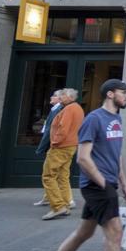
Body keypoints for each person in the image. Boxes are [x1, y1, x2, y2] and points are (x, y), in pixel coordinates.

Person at [22, 79, 126, 251]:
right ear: (110, 94)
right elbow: (83, 157)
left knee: (82, 234)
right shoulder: (94, 119)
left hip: (107, 183)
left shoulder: (116, 119)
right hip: (97, 186)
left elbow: (116, 153)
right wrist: (104, 184)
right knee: (114, 235)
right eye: (124, 92)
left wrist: (123, 182)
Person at [40, 88, 84, 220]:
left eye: (63, 95)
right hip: (70, 146)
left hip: (61, 146)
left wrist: (54, 142)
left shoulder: (70, 109)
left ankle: (58, 207)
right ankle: (65, 203)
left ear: (70, 97)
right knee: (63, 175)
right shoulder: (77, 109)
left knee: (48, 176)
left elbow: (63, 129)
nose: (61, 97)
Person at [32, 90, 65, 208]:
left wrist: (41, 148)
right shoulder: (54, 110)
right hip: (53, 145)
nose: (51, 97)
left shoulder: (58, 110)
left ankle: (62, 201)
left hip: (54, 146)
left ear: (60, 98)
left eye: (54, 95)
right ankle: (48, 198)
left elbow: (50, 131)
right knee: (57, 174)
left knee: (51, 175)